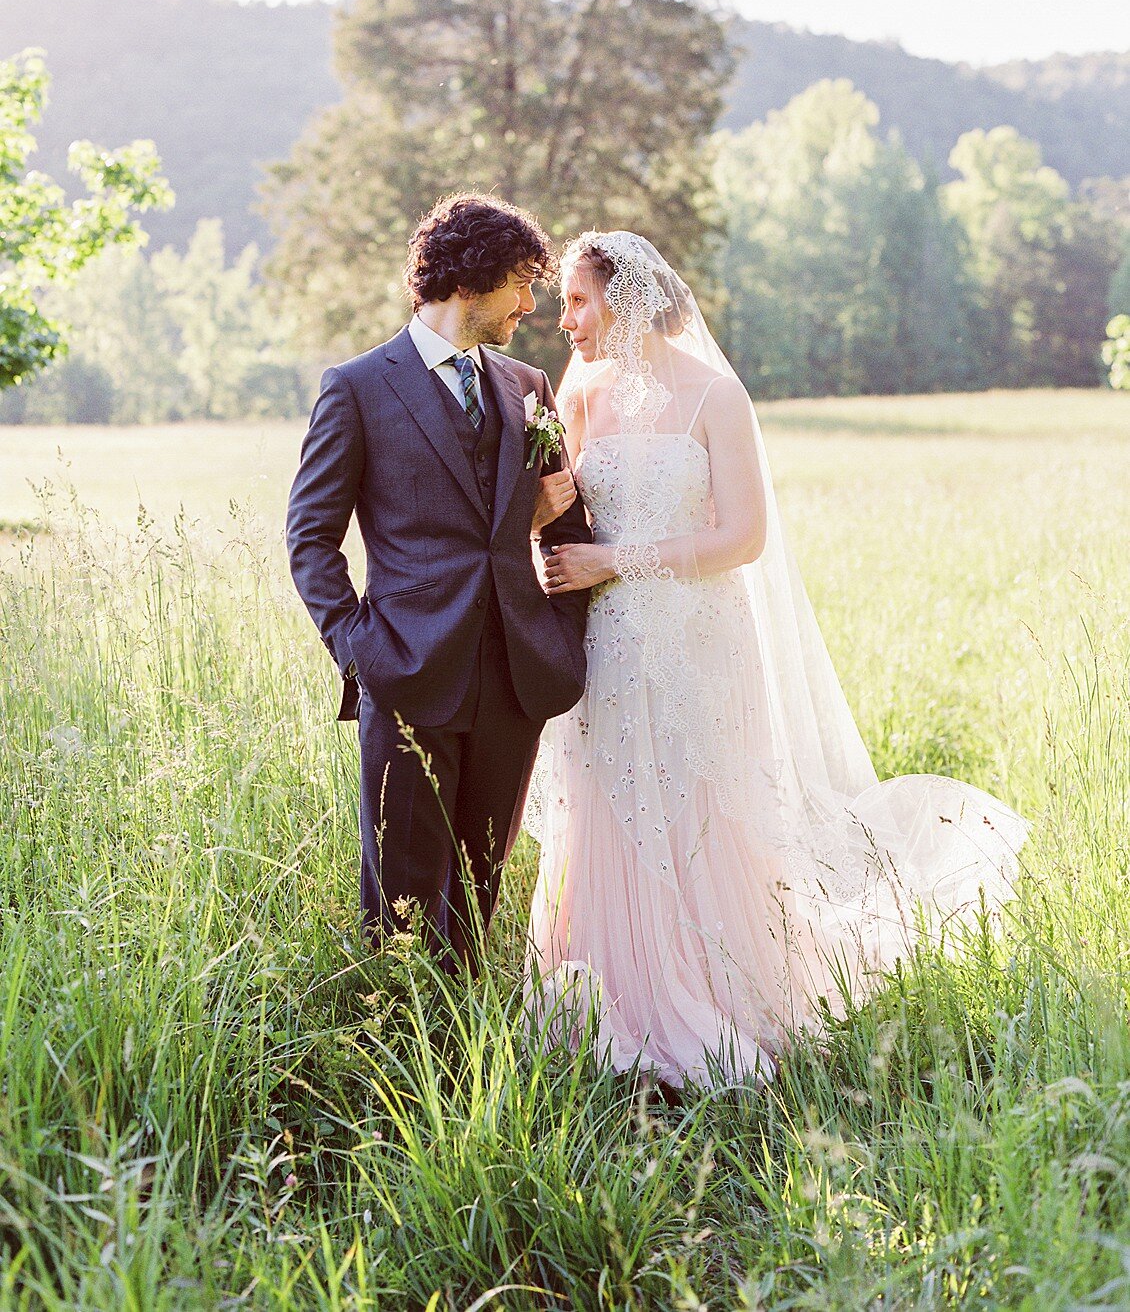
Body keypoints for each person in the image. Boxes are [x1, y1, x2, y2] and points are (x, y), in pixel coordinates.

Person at [525, 230, 1028, 1087]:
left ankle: (723, 987)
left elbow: (743, 538)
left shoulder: (716, 397)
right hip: (607, 647)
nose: (563, 320)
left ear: (629, 298)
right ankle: (613, 990)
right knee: (611, 811)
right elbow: (560, 521)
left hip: (696, 645)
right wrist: (545, 521)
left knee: (702, 812)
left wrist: (615, 562)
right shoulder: (577, 395)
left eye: (578, 300)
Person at [287, 194, 590, 973]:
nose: (531, 304)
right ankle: (399, 1057)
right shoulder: (356, 387)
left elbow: (568, 531)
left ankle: (462, 1045)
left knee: (481, 884)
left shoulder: (528, 387)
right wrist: (361, 652)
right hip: (407, 669)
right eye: (520, 283)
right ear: (470, 279)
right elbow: (312, 541)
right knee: (404, 894)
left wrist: (560, 636)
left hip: (516, 676)